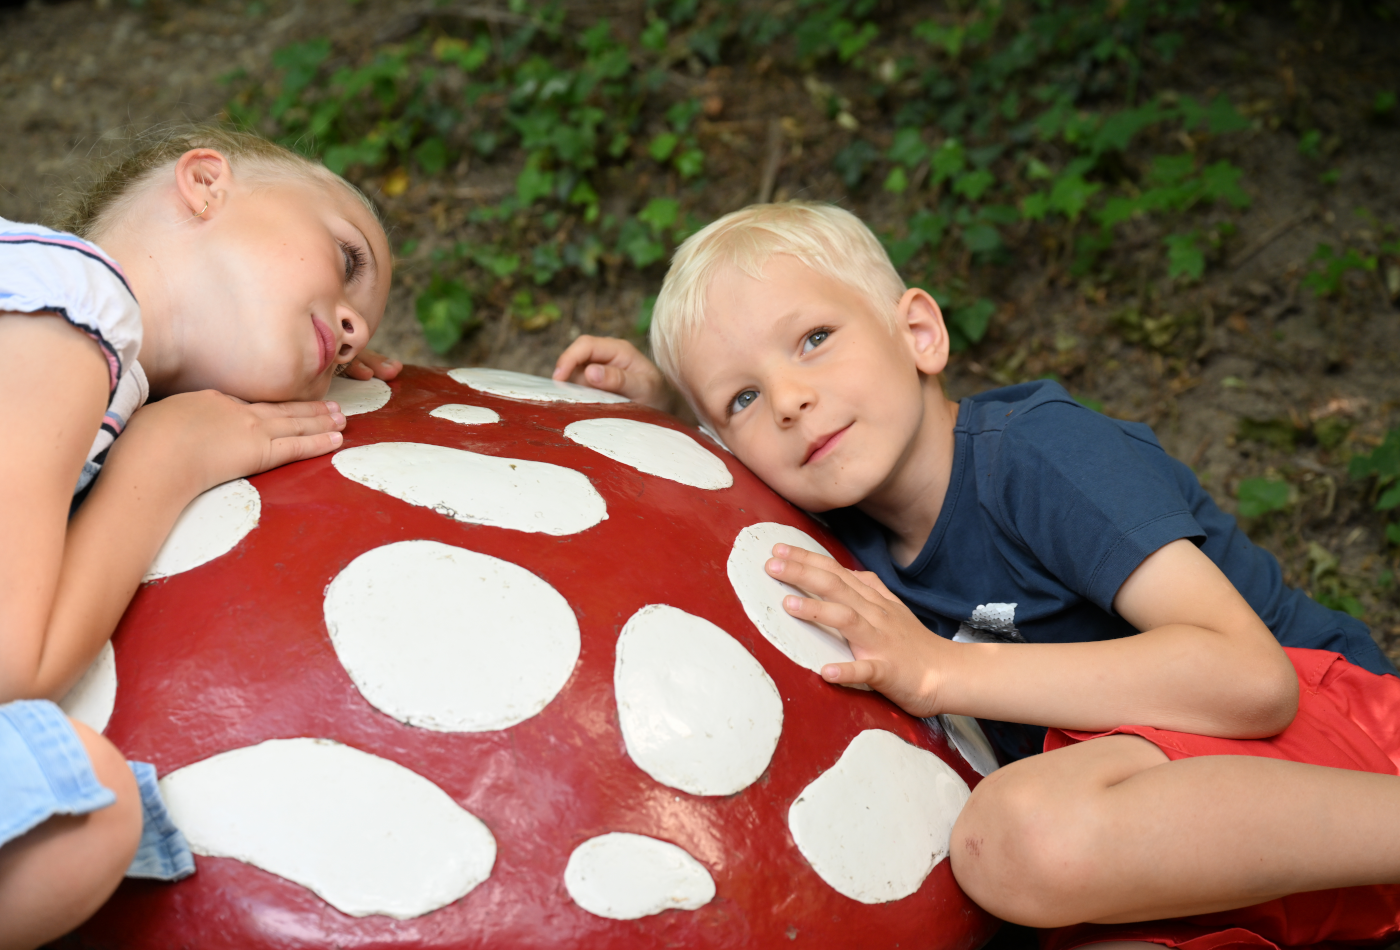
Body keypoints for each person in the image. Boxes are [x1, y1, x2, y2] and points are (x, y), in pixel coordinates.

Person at [553, 200, 1400, 950]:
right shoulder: (834, 526)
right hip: (1188, 841)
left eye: (814, 340)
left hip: (1339, 749)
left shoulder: (1038, 456)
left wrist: (940, 667)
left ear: (919, 333)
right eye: (742, 398)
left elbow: (1252, 682)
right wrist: (662, 413)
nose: (788, 400)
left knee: (1014, 840)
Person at [0, 126, 397, 950]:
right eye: (348, 260)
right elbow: (10, 660)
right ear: (206, 182)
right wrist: (165, 462)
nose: (355, 327)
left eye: (360, 330)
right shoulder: (69, 307)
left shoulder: (88, 351)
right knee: (82, 803)